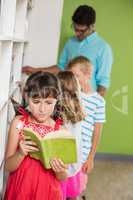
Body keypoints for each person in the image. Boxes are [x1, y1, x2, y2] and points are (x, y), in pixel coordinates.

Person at [22, 4, 113, 96]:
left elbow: (103, 82)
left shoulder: (103, 48)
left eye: (82, 31)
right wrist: (36, 70)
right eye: (75, 28)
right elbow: (61, 68)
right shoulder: (70, 42)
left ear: (92, 26)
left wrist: (95, 105)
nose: (77, 33)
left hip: (87, 102)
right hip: (65, 97)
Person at [4, 72, 68, 200]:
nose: (42, 109)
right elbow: (8, 166)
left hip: (48, 192)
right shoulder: (19, 123)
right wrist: (20, 153)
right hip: (21, 189)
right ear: (27, 97)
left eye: (49, 103)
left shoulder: (61, 131)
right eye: (36, 101)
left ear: (56, 101)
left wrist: (59, 169)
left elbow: (63, 177)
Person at [67, 56, 106, 199]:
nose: (74, 80)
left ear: (88, 75)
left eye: (77, 76)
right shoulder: (70, 96)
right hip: (66, 152)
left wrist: (91, 158)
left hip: (82, 155)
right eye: (72, 76)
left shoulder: (99, 101)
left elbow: (97, 132)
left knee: (76, 190)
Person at [57, 71, 85, 200]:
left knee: (60, 193)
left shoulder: (59, 113)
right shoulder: (78, 107)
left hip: (63, 164)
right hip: (76, 160)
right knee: (72, 194)